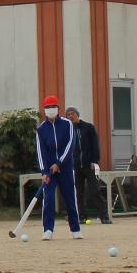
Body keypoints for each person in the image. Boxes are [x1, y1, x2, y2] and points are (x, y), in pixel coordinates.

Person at [35, 94, 82, 239]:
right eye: (48, 107)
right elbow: (40, 151)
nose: (50, 110)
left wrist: (59, 163)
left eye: (53, 107)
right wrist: (44, 171)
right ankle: (47, 230)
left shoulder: (67, 124)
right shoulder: (41, 129)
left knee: (70, 198)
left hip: (65, 167)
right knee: (48, 199)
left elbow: (70, 145)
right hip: (49, 170)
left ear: (58, 108)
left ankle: (75, 229)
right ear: (44, 110)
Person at [65, 107, 111, 225]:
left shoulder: (88, 127)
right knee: (79, 193)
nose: (70, 116)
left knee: (95, 191)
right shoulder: (68, 130)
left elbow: (95, 145)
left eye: (72, 114)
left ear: (77, 114)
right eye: (68, 115)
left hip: (89, 165)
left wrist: (95, 161)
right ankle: (82, 216)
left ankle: (104, 216)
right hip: (75, 166)